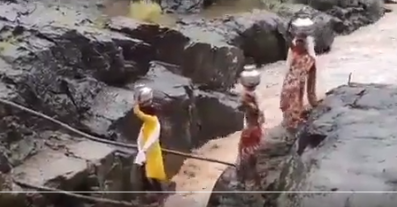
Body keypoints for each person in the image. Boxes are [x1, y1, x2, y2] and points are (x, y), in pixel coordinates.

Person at [280, 32, 318, 138]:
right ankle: (295, 115)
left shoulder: (304, 53)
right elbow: (288, 66)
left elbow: (288, 67)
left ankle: (294, 116)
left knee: (297, 90)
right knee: (297, 90)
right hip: (294, 80)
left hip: (293, 80)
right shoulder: (303, 54)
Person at [133, 103, 167, 202]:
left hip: (152, 152)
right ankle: (148, 191)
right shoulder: (148, 124)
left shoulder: (152, 121)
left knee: (152, 174)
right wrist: (141, 149)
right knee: (144, 171)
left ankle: (160, 194)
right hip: (146, 151)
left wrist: (136, 104)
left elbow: (139, 114)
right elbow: (142, 136)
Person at [237, 85, 264, 187]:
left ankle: (249, 180)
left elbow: (255, 112)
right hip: (253, 132)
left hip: (252, 134)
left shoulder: (253, 108)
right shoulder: (253, 109)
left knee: (249, 160)